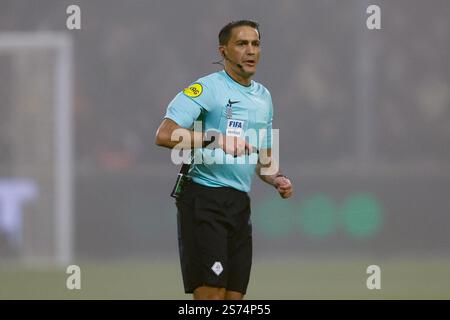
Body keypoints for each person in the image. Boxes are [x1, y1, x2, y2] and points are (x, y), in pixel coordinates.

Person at [155, 20, 293, 300]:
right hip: (204, 198)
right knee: (212, 298)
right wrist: (216, 138)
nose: (250, 50)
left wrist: (276, 178)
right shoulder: (207, 88)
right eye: (241, 44)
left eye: (255, 44)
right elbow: (164, 134)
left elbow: (264, 158)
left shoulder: (263, 97)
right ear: (224, 51)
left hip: (239, 203)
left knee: (233, 299)